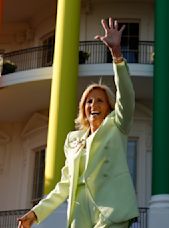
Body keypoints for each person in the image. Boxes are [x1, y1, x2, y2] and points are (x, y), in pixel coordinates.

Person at [17, 17, 138, 228]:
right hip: (79, 213)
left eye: (100, 100)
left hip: (112, 210)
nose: (94, 105)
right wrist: (36, 213)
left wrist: (117, 54)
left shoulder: (116, 126)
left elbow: (126, 97)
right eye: (88, 101)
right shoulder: (73, 140)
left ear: (109, 107)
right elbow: (63, 185)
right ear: (83, 108)